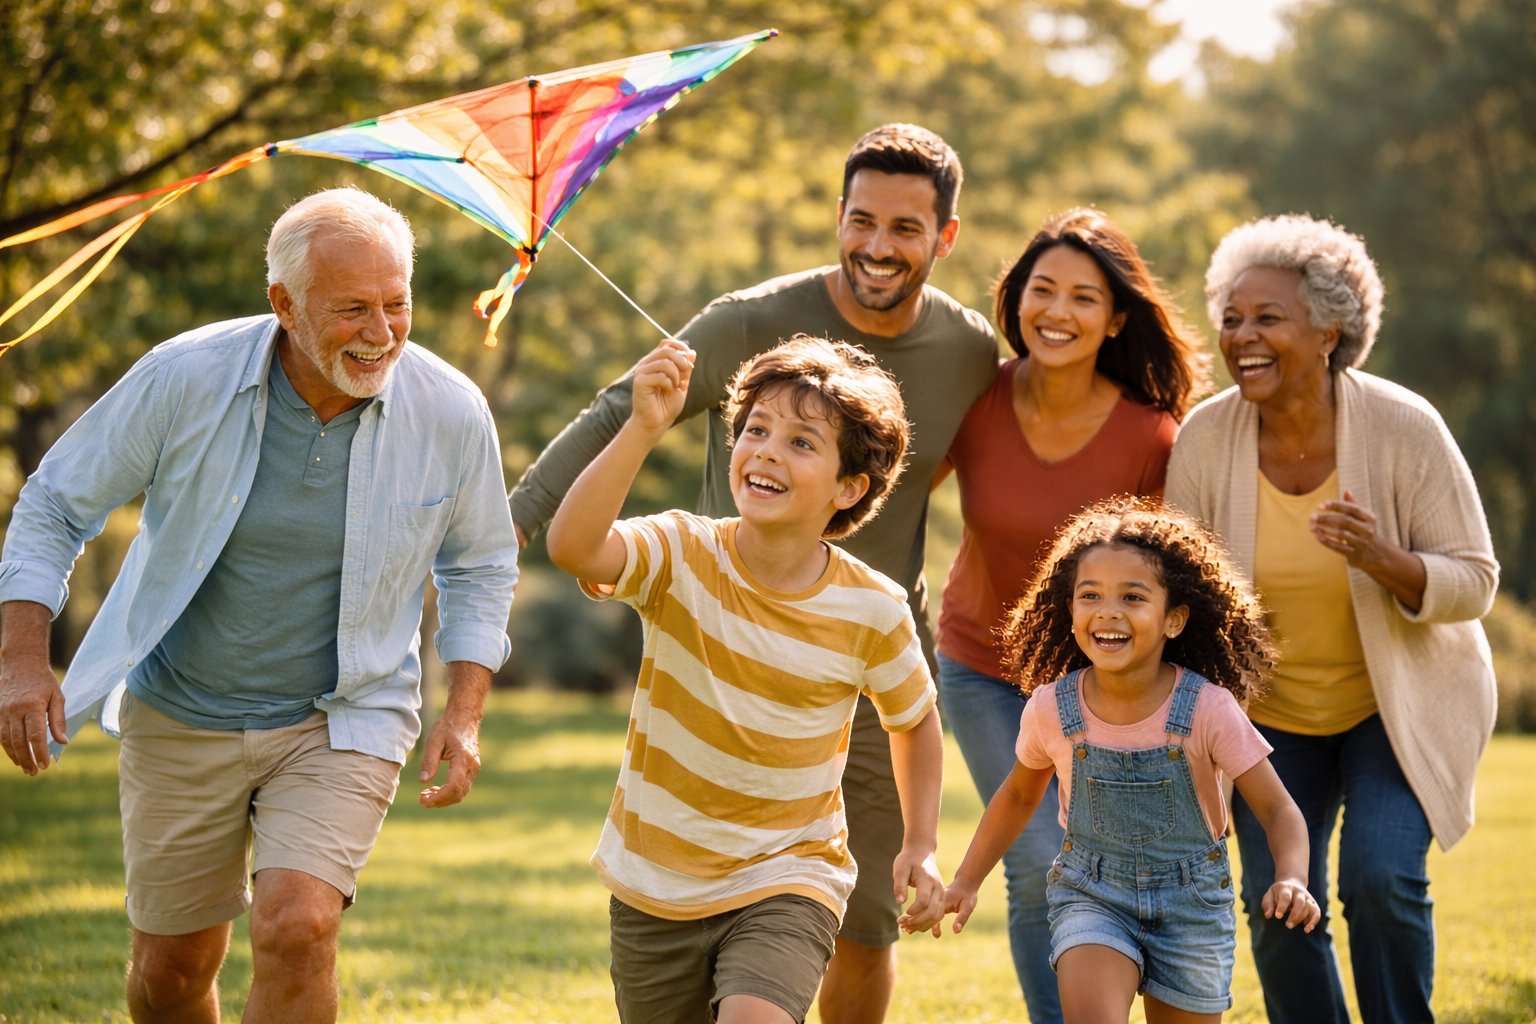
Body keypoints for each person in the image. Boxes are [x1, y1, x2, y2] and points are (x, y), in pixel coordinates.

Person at [510, 122, 996, 1022]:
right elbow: (617, 411)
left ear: (944, 237)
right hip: (721, 645)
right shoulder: (747, 322)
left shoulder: (970, 352)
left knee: (864, 923)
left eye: (904, 228)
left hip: (861, 660)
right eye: (862, 220)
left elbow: (1013, 465)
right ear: (839, 218)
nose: (878, 247)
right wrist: (507, 530)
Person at [0, 187, 519, 1023]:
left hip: (342, 715)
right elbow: (56, 503)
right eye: (352, 309)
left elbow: (482, 566)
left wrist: (464, 712)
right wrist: (24, 660)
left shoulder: (451, 411)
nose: (381, 333)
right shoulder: (185, 377)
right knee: (172, 969)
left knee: (299, 924)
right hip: (182, 709)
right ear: (284, 303)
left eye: (397, 304)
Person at [546, 334, 946, 1024]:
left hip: (788, 874)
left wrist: (922, 844)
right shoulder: (679, 551)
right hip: (655, 880)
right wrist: (642, 430)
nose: (765, 449)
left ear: (848, 488)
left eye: (800, 442)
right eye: (755, 429)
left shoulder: (873, 608)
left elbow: (913, 719)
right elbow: (574, 546)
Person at [1166, 214, 1498, 1023]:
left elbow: (1477, 580)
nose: (1241, 336)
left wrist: (1387, 561)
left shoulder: (1404, 426)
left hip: (1398, 706)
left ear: (1330, 330)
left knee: (1380, 878)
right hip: (1271, 716)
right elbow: (1176, 580)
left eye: (1267, 318)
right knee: (1283, 904)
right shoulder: (1208, 436)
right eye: (1233, 318)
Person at [932, 207, 1208, 1021]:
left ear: (1116, 317)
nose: (1057, 312)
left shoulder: (1150, 436)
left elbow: (1174, 578)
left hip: (1103, 685)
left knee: (1108, 864)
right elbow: (894, 479)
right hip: (981, 665)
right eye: (1041, 290)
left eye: (1083, 298)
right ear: (1014, 300)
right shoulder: (977, 399)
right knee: (1038, 864)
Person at [936, 497, 1320, 1022]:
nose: (1108, 611)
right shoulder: (1053, 707)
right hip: (1091, 893)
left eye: (1133, 597)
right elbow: (1018, 796)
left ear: (1174, 620)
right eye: (1089, 595)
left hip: (1193, 906)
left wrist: (1292, 877)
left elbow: (1278, 810)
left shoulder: (1209, 709)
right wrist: (966, 880)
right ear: (1068, 609)